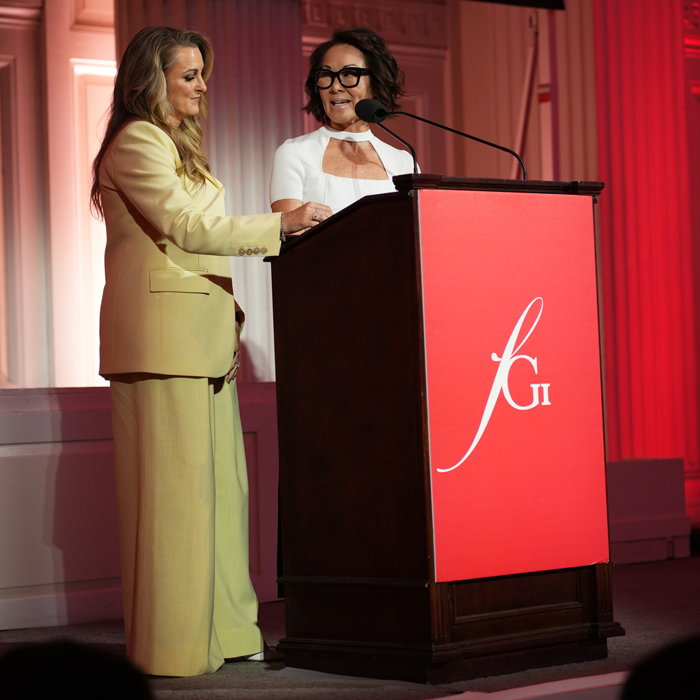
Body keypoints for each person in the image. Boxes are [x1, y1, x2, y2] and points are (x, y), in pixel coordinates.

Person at [90, 26, 330, 677]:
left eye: (202, 74)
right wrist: (280, 224)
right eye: (189, 74)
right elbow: (186, 227)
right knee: (176, 504)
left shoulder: (178, 147)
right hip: (163, 344)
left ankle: (227, 631)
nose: (202, 86)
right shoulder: (137, 141)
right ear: (153, 80)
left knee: (223, 499)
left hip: (203, 345)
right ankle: (172, 645)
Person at [270, 27, 415, 217]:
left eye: (349, 74)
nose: (335, 86)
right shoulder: (294, 153)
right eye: (326, 75)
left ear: (375, 83)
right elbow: (290, 231)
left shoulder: (404, 162)